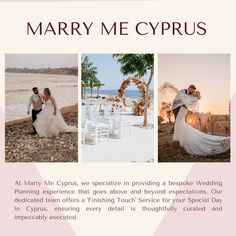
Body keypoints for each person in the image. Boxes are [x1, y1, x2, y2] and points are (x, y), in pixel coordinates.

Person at [159, 83, 230, 156]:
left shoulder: (192, 98)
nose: (192, 92)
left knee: (179, 124)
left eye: (194, 92)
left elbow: (185, 100)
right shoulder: (185, 92)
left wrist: (184, 97)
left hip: (182, 110)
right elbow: (179, 97)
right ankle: (180, 141)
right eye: (192, 90)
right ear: (189, 88)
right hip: (178, 108)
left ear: (195, 94)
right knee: (178, 124)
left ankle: (181, 141)